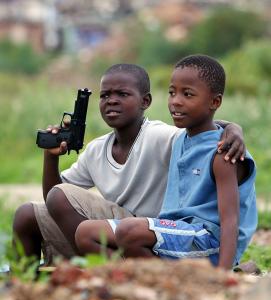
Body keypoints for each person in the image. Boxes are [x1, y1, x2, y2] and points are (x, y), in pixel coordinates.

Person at [13, 63, 245, 265]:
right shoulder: (97, 149)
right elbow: (52, 198)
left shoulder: (160, 136)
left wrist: (232, 128)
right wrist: (51, 157)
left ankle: (117, 269)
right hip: (113, 231)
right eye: (105, 95)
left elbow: (199, 127)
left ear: (145, 101)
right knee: (27, 214)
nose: (112, 100)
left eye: (122, 94)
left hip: (151, 233)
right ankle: (26, 278)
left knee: (62, 198)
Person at [75, 56, 257, 269]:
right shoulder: (180, 139)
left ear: (215, 102)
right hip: (175, 232)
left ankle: (196, 279)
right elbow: (209, 126)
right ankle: (156, 278)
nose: (175, 101)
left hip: (209, 242)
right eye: (172, 92)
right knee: (85, 233)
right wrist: (233, 126)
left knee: (129, 231)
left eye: (187, 94)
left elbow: (230, 221)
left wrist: (222, 276)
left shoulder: (223, 152)